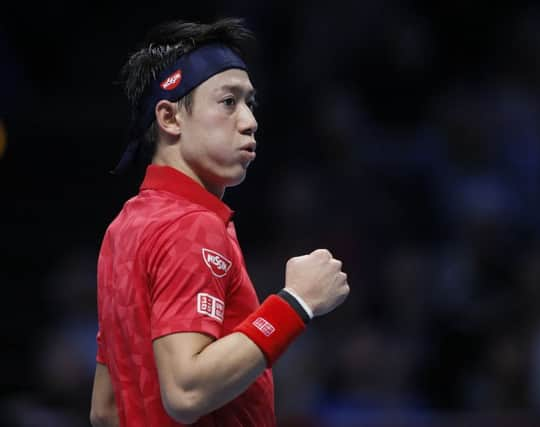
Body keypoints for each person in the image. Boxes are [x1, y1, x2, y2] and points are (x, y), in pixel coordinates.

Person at [89, 17, 350, 427]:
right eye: (229, 102)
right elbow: (187, 391)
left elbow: (105, 410)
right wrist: (296, 302)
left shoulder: (123, 228)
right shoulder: (190, 226)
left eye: (250, 103)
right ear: (170, 117)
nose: (249, 121)